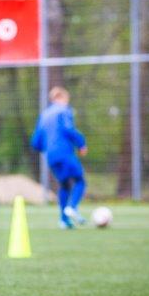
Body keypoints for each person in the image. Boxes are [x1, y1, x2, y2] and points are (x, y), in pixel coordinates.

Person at [30, 86, 88, 229]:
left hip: (51, 156)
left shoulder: (44, 115)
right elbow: (68, 129)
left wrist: (48, 148)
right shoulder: (63, 111)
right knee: (80, 181)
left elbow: (36, 142)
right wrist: (81, 144)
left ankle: (64, 220)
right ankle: (72, 207)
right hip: (65, 153)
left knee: (64, 185)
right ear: (62, 98)